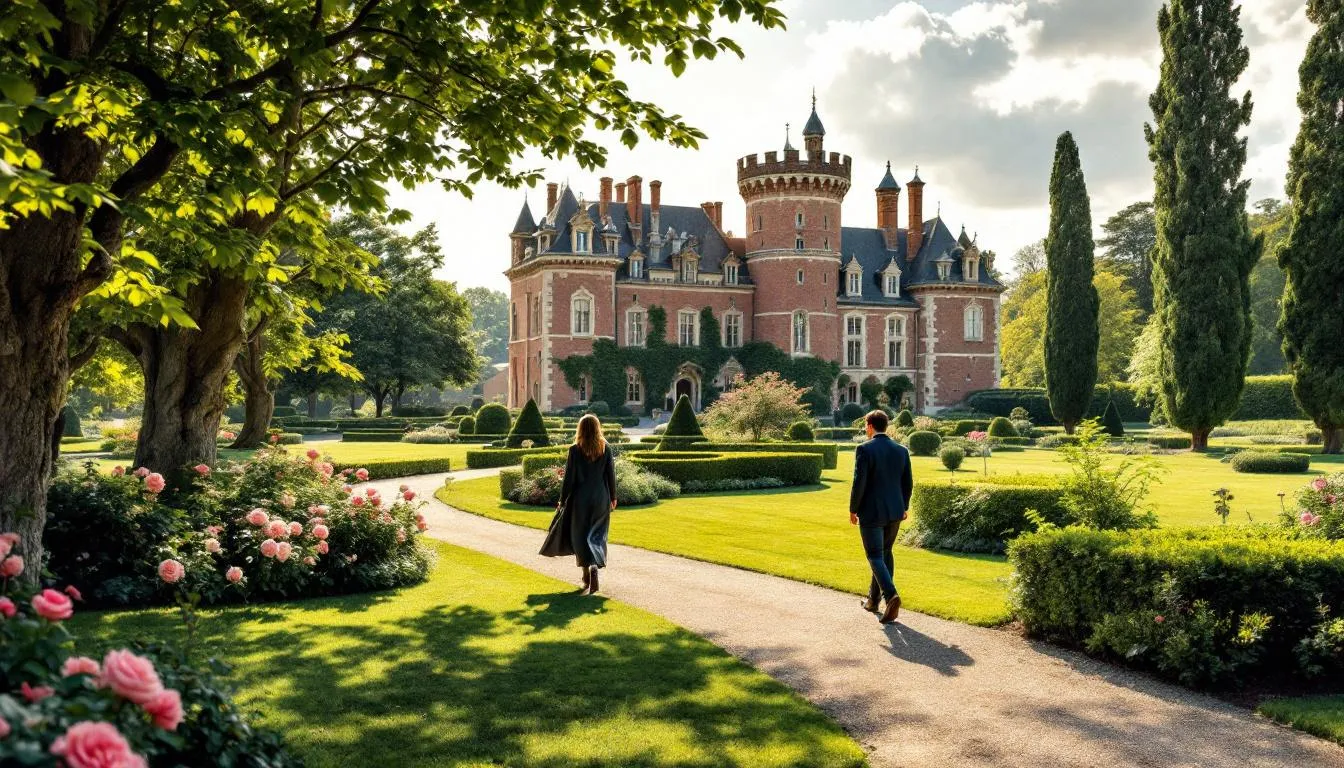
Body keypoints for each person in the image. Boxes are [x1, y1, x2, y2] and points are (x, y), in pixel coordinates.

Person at [539, 413, 617, 594]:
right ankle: (595, 566)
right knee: (597, 535)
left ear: (580, 429)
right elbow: (610, 476)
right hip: (600, 498)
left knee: (580, 536)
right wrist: (613, 497)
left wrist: (562, 499)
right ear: (598, 428)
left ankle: (586, 576)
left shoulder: (575, 450)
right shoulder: (606, 448)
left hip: (580, 498)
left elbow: (569, 479)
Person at [850, 409, 914, 624]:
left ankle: (891, 595)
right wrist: (904, 506)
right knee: (885, 554)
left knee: (875, 555)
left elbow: (860, 482)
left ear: (869, 426)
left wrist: (853, 509)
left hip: (871, 512)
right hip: (895, 511)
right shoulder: (901, 450)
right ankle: (873, 601)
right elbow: (908, 483)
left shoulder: (864, 449)